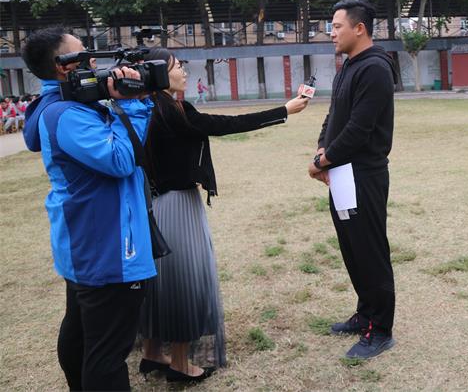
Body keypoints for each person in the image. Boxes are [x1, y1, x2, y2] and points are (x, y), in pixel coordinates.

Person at [137, 48, 309, 383]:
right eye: (177, 66)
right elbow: (226, 124)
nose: (184, 71)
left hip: (154, 205)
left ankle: (153, 352)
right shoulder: (173, 112)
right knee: (185, 282)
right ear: (159, 74)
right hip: (178, 206)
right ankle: (181, 364)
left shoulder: (145, 108)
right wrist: (284, 110)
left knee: (161, 282)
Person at [21, 27, 156, 391]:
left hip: (85, 245)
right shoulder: (67, 114)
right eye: (84, 54)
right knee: (107, 355)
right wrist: (134, 104)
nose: (93, 60)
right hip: (107, 249)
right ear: (63, 65)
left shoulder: (58, 107)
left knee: (81, 336)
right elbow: (121, 160)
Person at [308, 0, 398, 359]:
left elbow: (360, 129)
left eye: (337, 26)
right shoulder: (349, 66)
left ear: (359, 28)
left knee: (371, 252)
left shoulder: (375, 68)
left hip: (364, 176)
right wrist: (322, 150)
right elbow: (334, 117)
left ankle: (381, 330)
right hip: (342, 175)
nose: (331, 33)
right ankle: (365, 314)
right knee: (353, 249)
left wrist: (322, 161)